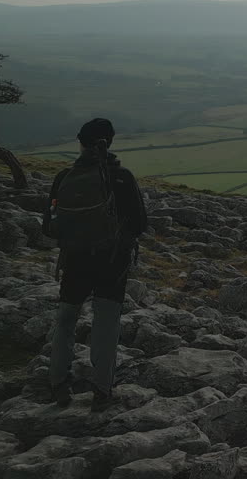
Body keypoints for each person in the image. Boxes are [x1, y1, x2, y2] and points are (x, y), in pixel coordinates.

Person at [42, 118, 147, 410]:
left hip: (74, 258)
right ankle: (102, 389)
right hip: (112, 261)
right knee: (106, 321)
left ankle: (58, 383)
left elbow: (49, 226)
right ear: (110, 142)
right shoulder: (121, 177)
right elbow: (140, 224)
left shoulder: (64, 177)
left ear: (80, 142)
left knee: (66, 318)